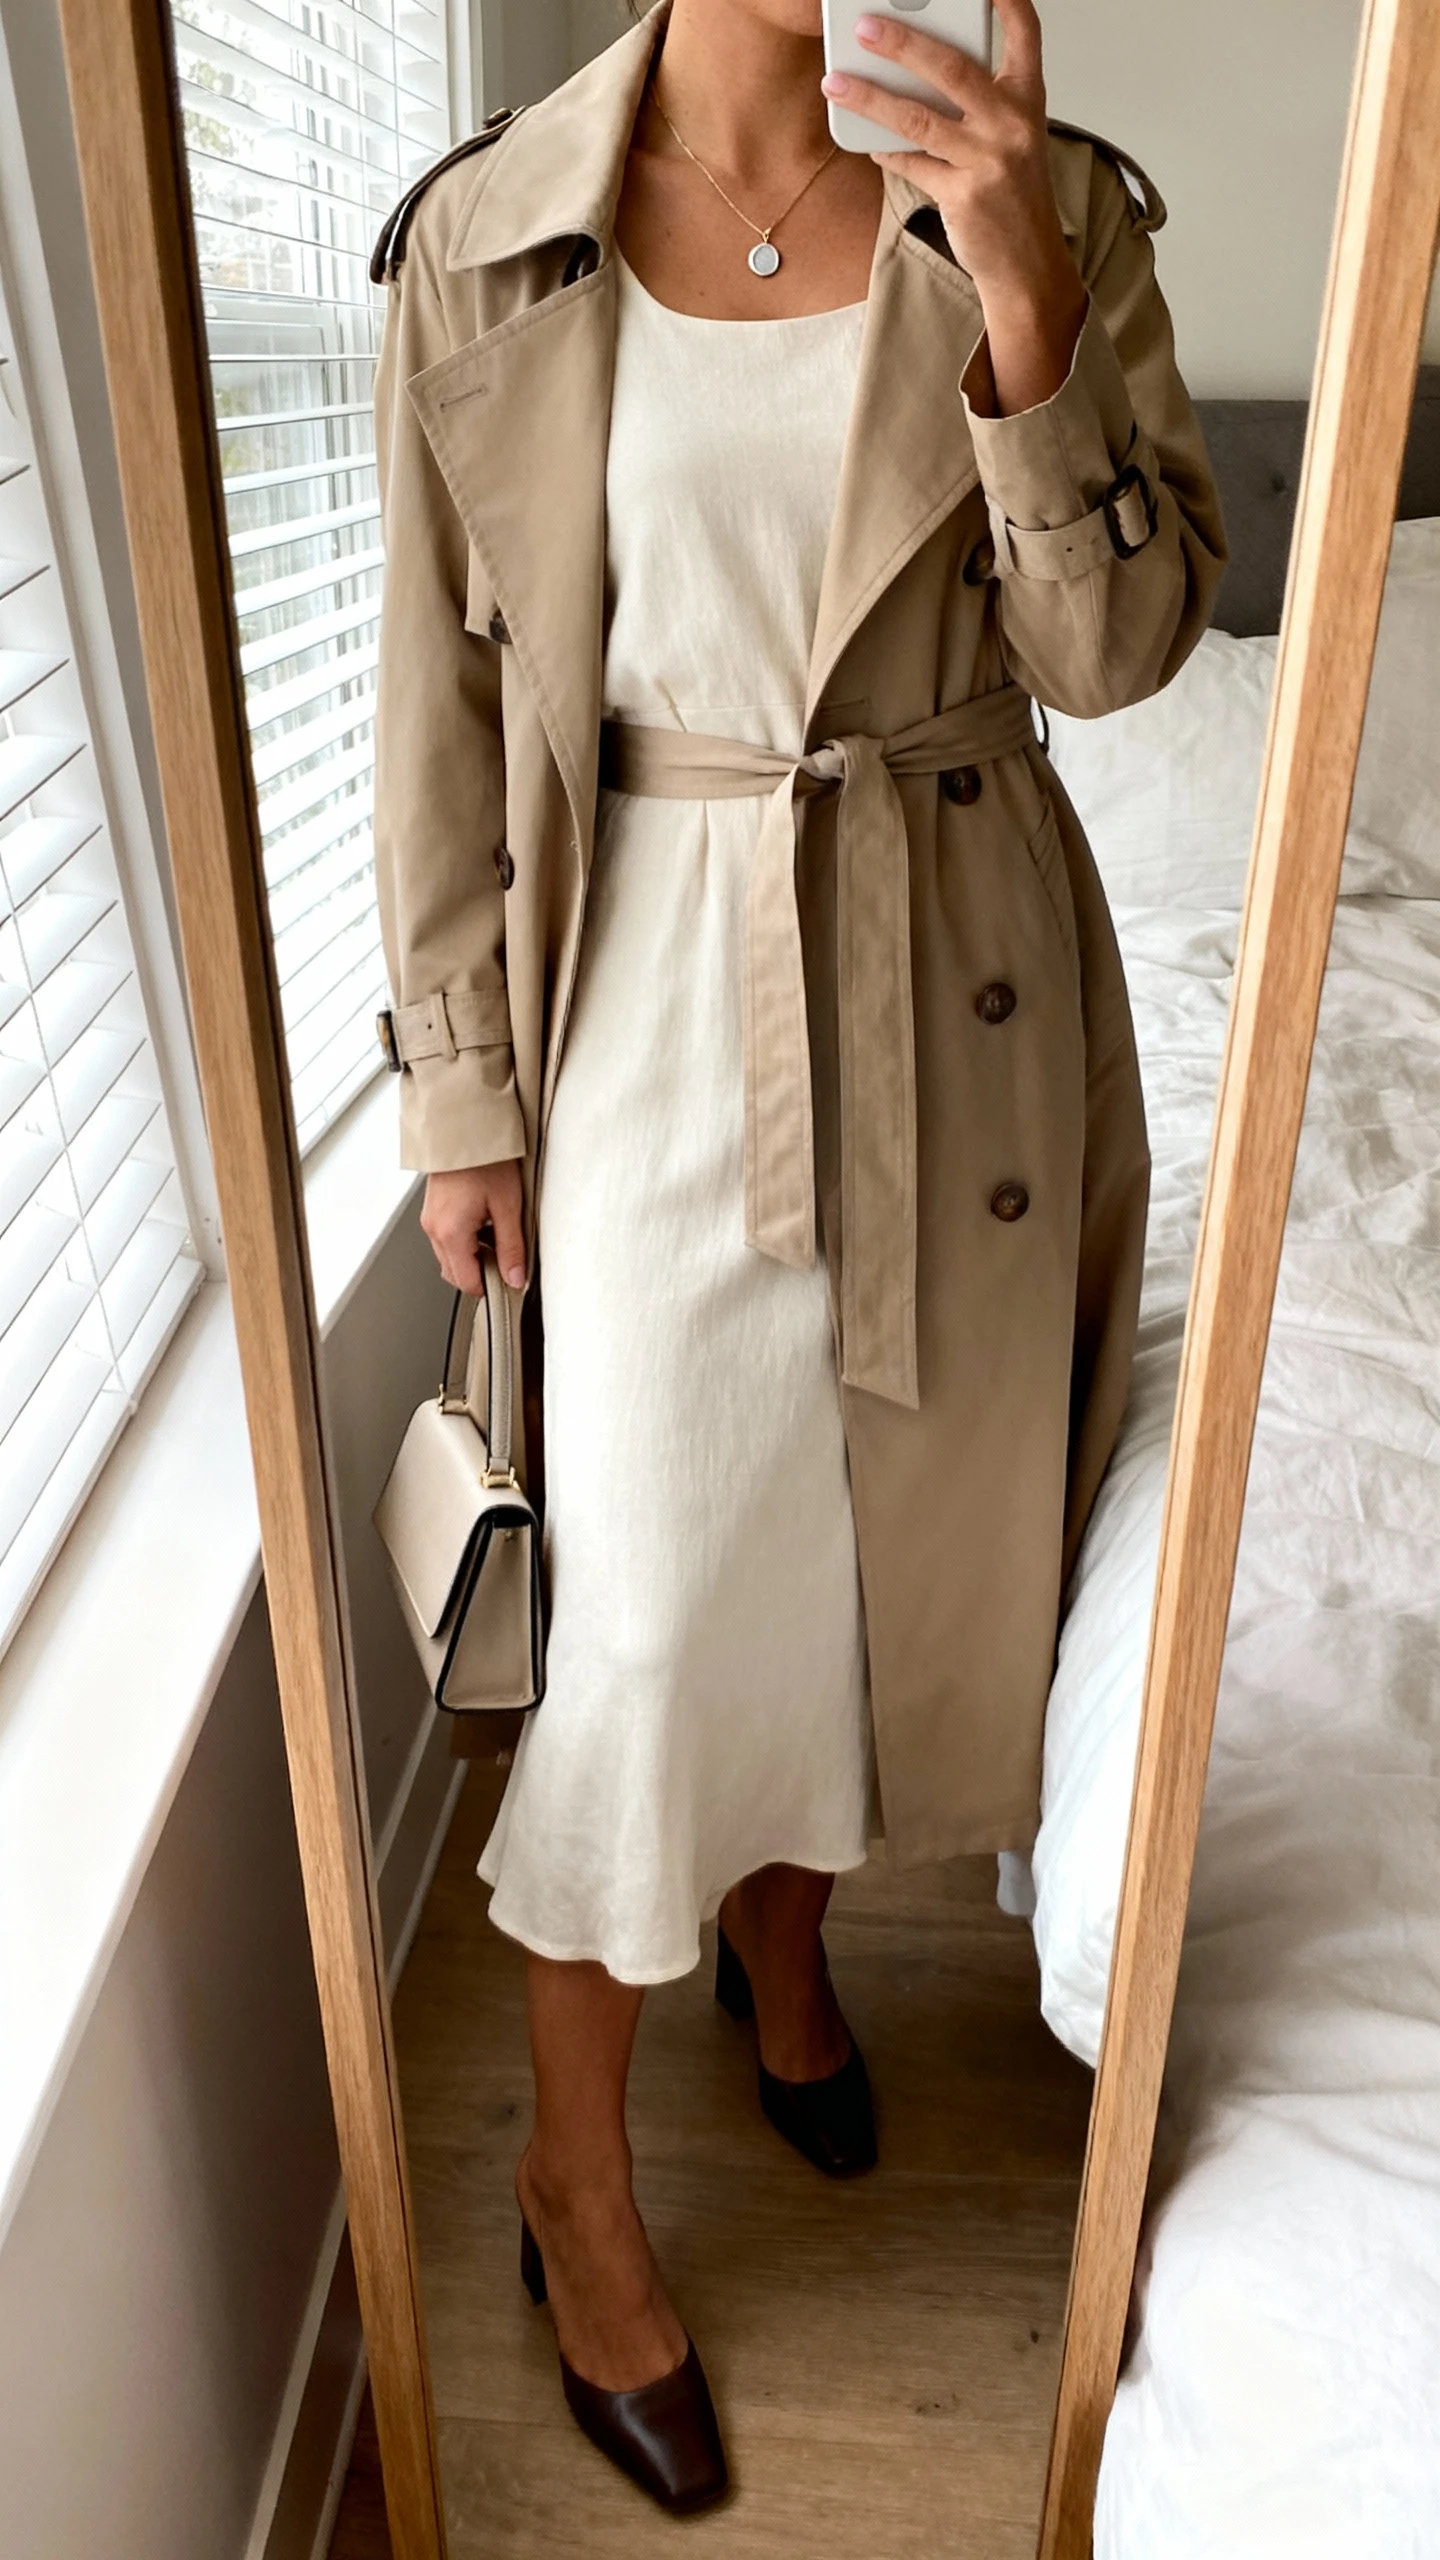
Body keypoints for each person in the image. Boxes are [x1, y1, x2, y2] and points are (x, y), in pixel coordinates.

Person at [372, 0, 1224, 2513]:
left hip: (954, 966)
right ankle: (572, 2184)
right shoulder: (488, 238)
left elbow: (1124, 653)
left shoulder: (1060, 200)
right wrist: (459, 1089)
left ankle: (781, 1934)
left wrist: (1026, 297)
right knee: (642, 1618)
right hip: (634, 985)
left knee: (866, 1553)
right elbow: (434, 697)